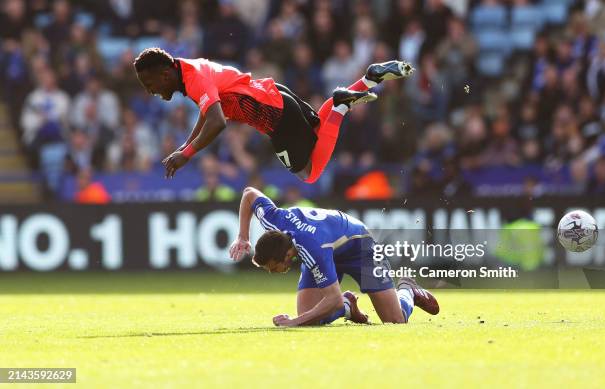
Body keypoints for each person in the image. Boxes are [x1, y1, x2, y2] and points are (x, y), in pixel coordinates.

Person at [133, 47, 413, 183]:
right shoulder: (187, 68)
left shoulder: (194, 80)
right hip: (276, 94)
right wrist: (184, 147)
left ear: (165, 73)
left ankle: (341, 104)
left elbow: (217, 122)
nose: (151, 91)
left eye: (150, 84)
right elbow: (208, 114)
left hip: (273, 116)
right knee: (318, 129)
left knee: (309, 174)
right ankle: (369, 78)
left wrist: (188, 154)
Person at [229, 187, 440, 327]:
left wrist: (293, 322)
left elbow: (332, 299)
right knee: (310, 317)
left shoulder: (313, 249)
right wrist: (242, 236)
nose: (272, 272)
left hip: (361, 247)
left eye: (273, 267)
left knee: (395, 321)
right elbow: (249, 193)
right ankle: (348, 305)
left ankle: (407, 291)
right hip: (330, 244)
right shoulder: (274, 221)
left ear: (286, 255)